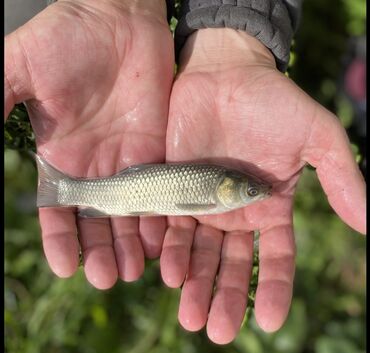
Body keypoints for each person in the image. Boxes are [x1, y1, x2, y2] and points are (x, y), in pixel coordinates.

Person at [4, 0, 366, 345]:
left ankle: (64, 189)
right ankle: (64, 189)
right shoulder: (211, 195)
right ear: (228, 187)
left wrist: (234, 34)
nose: (256, 192)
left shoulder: (215, 191)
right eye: (249, 192)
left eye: (252, 192)